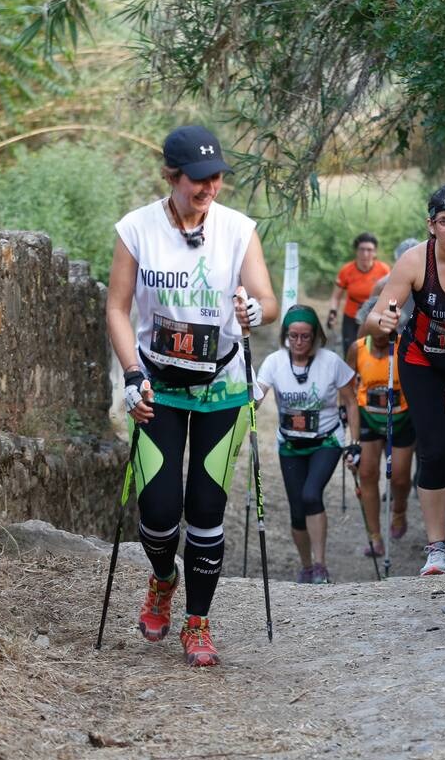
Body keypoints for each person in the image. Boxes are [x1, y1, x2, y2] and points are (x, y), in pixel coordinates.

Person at [106, 125, 278, 667]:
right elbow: (116, 308)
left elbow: (267, 299)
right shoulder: (137, 228)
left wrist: (256, 311)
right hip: (158, 383)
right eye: (198, 180)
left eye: (217, 177)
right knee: (157, 511)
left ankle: (198, 622)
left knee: (206, 507)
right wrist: (132, 374)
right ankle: (162, 580)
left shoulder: (238, 229)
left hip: (222, 388)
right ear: (171, 176)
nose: (210, 188)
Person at [365, 185, 445, 577]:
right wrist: (381, 323)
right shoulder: (415, 261)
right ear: (431, 225)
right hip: (422, 363)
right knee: (434, 451)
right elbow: (374, 318)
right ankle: (436, 547)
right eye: (444, 222)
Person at [256, 305, 358, 583]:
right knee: (297, 510)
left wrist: (354, 443)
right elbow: (256, 397)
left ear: (316, 337)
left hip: (326, 440)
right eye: (293, 336)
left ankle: (321, 565)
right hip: (290, 444)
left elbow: (350, 400)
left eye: (305, 337)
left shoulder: (331, 361)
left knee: (311, 494)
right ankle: (306, 565)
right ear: (285, 336)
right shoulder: (275, 362)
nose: (299, 342)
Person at [346, 316, 415, 558]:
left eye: (385, 330)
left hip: (402, 418)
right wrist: (345, 410)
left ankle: (399, 509)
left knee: (399, 478)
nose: (380, 335)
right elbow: (347, 384)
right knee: (366, 473)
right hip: (369, 417)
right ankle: (375, 537)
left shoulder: (403, 346)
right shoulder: (357, 348)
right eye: (374, 329)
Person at [327, 232, 390, 356]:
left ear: (375, 252)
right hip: (351, 316)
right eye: (362, 249)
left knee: (371, 351)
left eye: (369, 250)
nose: (365, 254)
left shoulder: (384, 270)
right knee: (351, 350)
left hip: (374, 316)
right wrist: (332, 312)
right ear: (356, 251)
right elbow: (335, 297)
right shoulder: (346, 270)